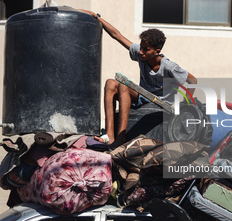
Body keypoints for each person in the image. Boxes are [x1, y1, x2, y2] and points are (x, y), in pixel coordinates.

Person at [79, 10, 197, 148]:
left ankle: (121, 137)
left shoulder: (169, 67)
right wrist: (97, 17)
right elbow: (117, 35)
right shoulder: (142, 54)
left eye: (145, 49)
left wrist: (185, 104)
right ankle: (109, 135)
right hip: (143, 96)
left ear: (156, 52)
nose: (141, 52)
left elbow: (193, 80)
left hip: (161, 103)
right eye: (140, 47)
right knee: (110, 83)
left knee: (123, 85)